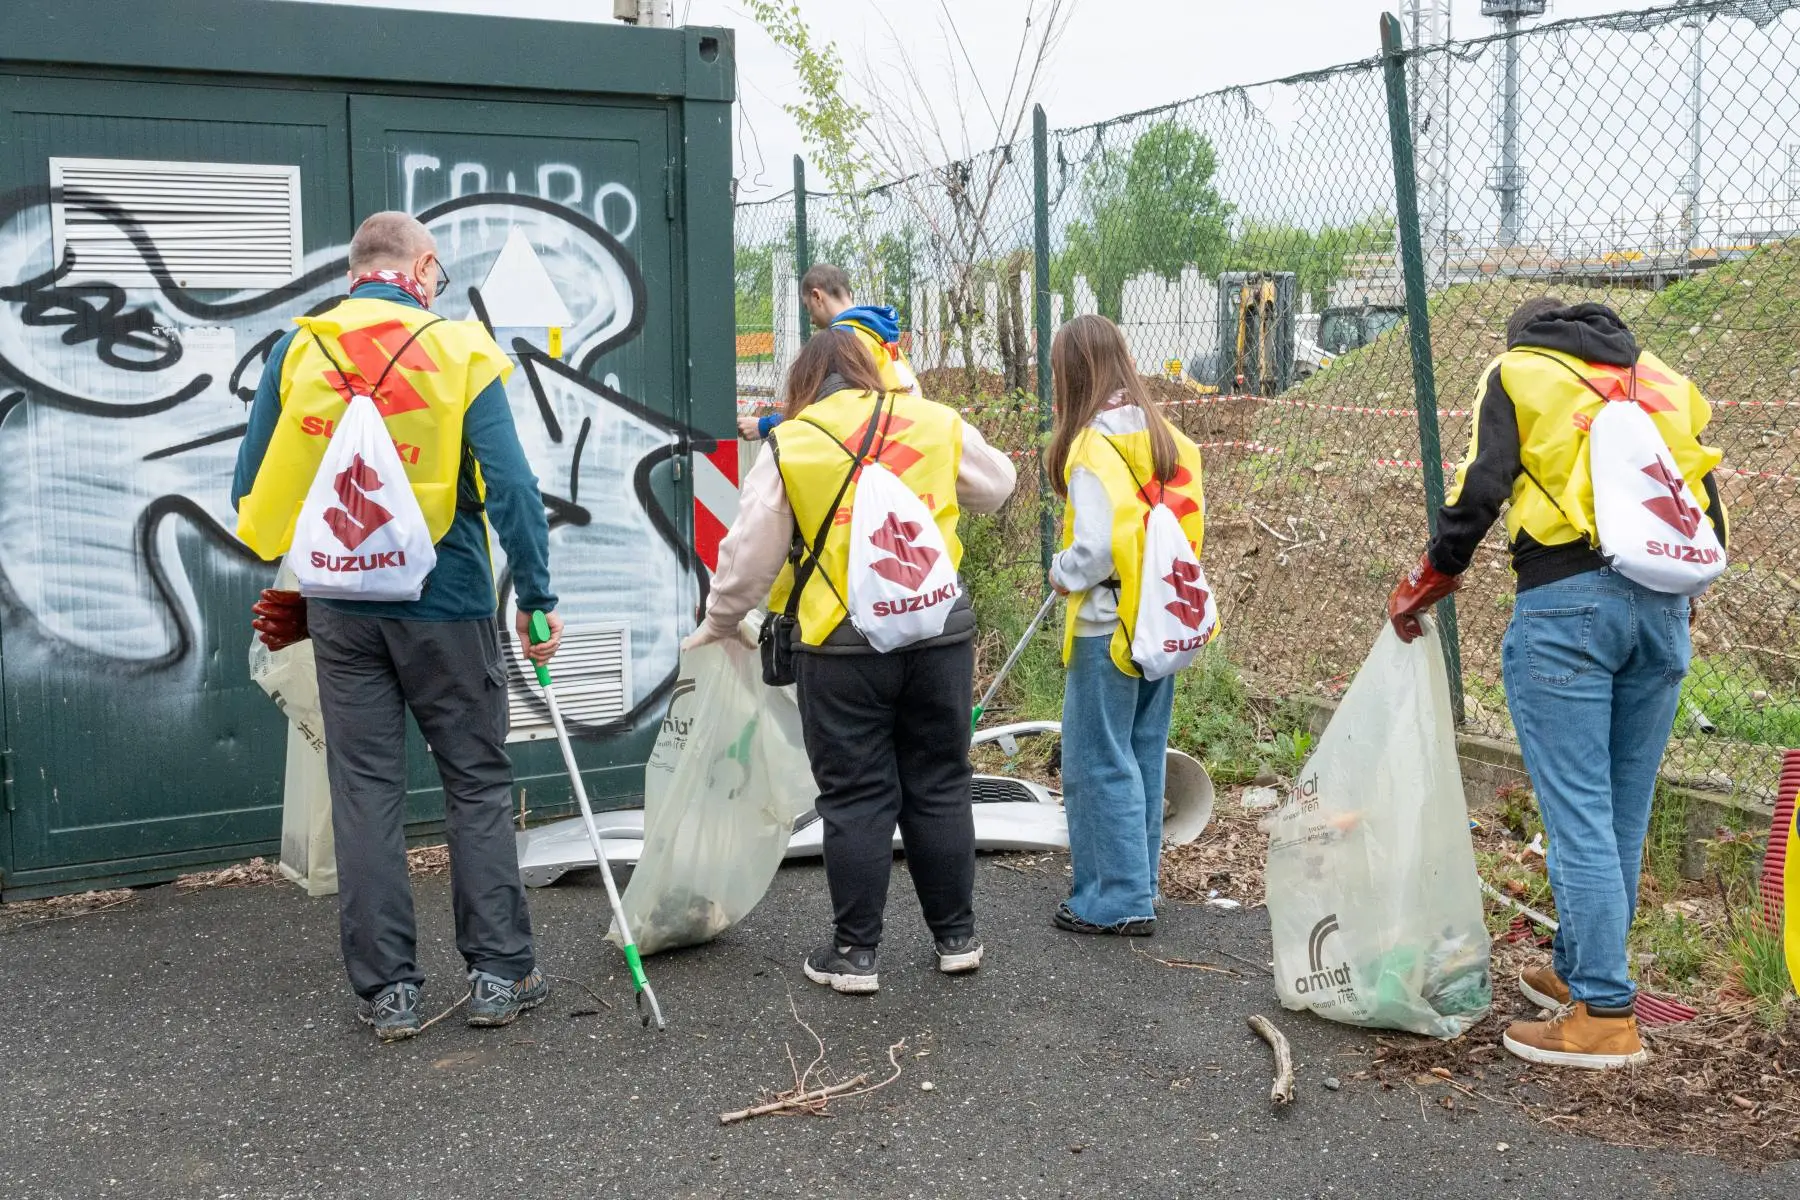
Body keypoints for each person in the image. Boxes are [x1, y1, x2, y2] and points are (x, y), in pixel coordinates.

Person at [232, 211, 564, 1042]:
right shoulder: (461, 352)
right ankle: (499, 975)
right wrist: (536, 597)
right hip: (447, 602)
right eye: (437, 274)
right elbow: (515, 489)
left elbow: (251, 486)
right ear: (420, 272)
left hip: (342, 606)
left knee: (366, 795)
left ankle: (389, 995)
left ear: (355, 274)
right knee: (478, 784)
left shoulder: (298, 350)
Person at [1387, 298, 1727, 1070]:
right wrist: (1681, 600)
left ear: (1526, 337)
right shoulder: (1663, 382)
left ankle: (1605, 1011)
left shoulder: (1518, 371)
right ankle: (1579, 971)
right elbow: (1706, 501)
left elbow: (1482, 487)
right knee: (1619, 814)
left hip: (1568, 604)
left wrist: (1433, 576)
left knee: (1578, 816)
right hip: (1665, 607)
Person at [687, 328, 1016, 994]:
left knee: (858, 793)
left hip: (841, 645)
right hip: (938, 635)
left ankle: (855, 954)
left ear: (803, 386)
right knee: (942, 781)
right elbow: (999, 487)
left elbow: (750, 557)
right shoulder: (929, 420)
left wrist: (718, 624)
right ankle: (956, 938)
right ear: (872, 370)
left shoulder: (794, 443)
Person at [1043, 314, 1210, 937]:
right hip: (1162, 624)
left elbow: (1091, 550)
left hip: (1105, 627)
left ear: (1074, 374)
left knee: (1096, 760)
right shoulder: (1169, 439)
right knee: (1142, 754)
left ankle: (1112, 900)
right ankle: (1141, 885)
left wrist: (1062, 571)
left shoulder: (1092, 447)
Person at [736, 263, 921, 441]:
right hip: (905, 430)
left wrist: (764, 425)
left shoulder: (840, 340)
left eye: (808, 309)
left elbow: (817, 408)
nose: (811, 321)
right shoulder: (878, 332)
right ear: (849, 294)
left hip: (878, 437)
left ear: (817, 297)